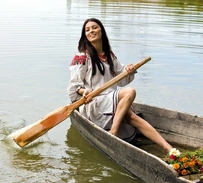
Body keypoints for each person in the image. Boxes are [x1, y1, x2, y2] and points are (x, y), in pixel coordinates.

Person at [67, 18, 173, 153]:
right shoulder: (82, 57)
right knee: (129, 92)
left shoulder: (109, 55)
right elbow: (73, 86)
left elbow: (121, 79)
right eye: (87, 30)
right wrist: (83, 92)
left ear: (101, 31)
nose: (91, 31)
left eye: (94, 27)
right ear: (85, 36)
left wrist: (129, 70)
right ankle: (114, 130)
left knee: (133, 117)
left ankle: (169, 149)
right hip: (93, 103)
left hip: (111, 101)